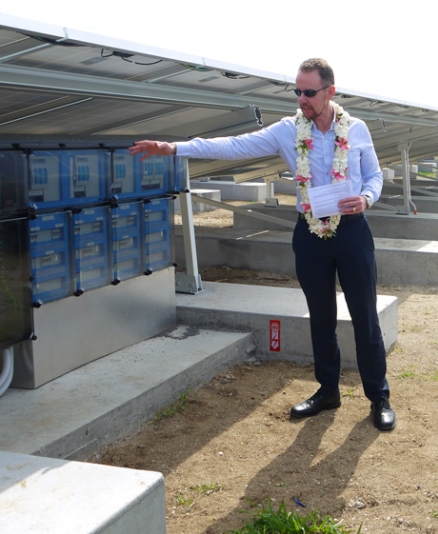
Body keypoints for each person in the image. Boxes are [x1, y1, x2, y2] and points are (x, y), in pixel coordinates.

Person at [130, 58, 396, 431]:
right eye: (297, 91)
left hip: (352, 231)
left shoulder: (358, 130)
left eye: (308, 92)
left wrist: (366, 197)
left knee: (365, 316)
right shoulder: (289, 130)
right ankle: (328, 390)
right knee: (319, 317)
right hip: (309, 232)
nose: (301, 98)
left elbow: (375, 174)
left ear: (330, 92)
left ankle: (378, 396)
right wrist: (174, 148)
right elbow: (235, 146)